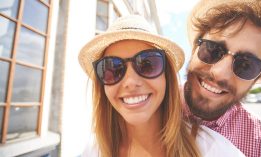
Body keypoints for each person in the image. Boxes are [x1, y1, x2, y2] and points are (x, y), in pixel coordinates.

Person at [78, 15, 245, 157]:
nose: (130, 82)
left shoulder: (216, 151)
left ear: (167, 76)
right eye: (113, 68)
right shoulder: (92, 151)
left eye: (147, 64)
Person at [184, 0, 261, 157]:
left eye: (246, 65)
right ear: (194, 50)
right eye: (212, 49)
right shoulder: (147, 109)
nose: (220, 73)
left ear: (259, 76)